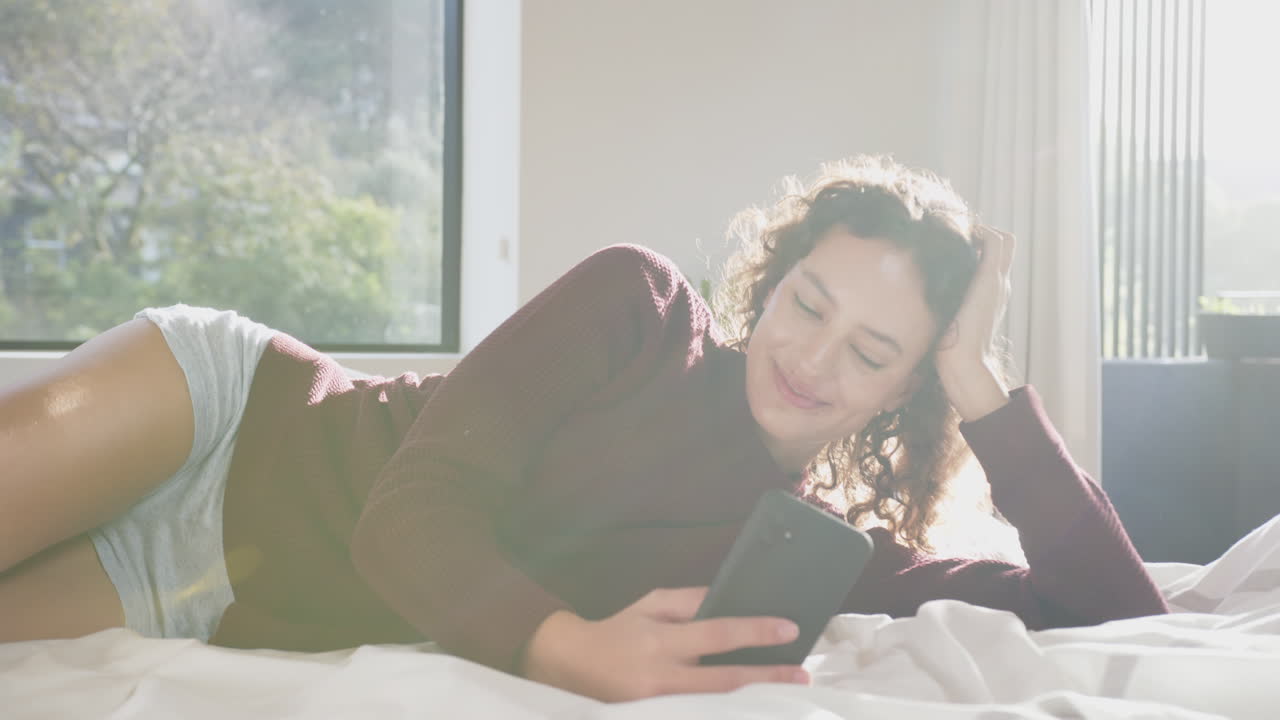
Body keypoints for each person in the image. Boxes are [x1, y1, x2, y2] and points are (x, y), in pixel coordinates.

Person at [0, 155, 1168, 702]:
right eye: (808, 304)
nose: (813, 359)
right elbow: (411, 514)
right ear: (770, 284)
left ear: (901, 392)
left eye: (871, 353)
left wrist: (977, 383)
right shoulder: (639, 307)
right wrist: (563, 645)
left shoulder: (809, 559)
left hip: (216, 590)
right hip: (223, 418)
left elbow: (1111, 613)